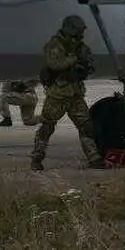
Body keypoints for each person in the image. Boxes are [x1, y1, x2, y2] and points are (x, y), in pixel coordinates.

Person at [31, 15, 106, 171]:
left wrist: (84, 67)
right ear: (69, 28)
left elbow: (90, 65)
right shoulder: (55, 45)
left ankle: (94, 158)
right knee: (47, 127)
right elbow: (54, 64)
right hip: (58, 94)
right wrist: (74, 60)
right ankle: (37, 158)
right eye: (78, 30)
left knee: (86, 126)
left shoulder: (81, 47)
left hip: (75, 94)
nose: (80, 33)